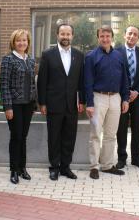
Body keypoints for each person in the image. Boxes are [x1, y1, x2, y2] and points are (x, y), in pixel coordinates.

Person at [37, 23, 85, 181]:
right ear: (57, 35)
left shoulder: (78, 55)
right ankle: (54, 167)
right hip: (53, 104)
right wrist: (42, 103)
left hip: (72, 104)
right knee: (54, 137)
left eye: (68, 34)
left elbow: (81, 81)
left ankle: (66, 167)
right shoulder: (48, 54)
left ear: (72, 36)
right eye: (62, 34)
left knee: (69, 137)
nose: (65, 37)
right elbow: (42, 81)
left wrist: (82, 101)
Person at [84, 25, 129, 180]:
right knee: (96, 134)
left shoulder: (119, 56)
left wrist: (125, 98)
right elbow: (87, 82)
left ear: (112, 38)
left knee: (110, 134)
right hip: (98, 98)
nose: (105, 39)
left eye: (107, 36)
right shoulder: (91, 56)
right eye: (102, 36)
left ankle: (107, 165)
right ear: (98, 38)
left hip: (116, 98)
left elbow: (125, 79)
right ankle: (94, 166)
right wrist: (89, 103)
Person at [0, 29, 37, 184]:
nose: (22, 43)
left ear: (28, 43)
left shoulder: (31, 60)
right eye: (18, 40)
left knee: (23, 137)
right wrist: (8, 106)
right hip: (14, 105)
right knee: (16, 137)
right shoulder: (8, 59)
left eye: (24, 40)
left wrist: (35, 103)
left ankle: (22, 168)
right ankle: (14, 170)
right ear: (13, 43)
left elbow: (33, 83)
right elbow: (4, 84)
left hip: (28, 105)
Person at [115, 26, 139, 170]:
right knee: (121, 128)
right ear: (124, 35)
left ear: (138, 37)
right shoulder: (116, 52)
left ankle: (137, 158)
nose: (132, 36)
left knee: (137, 129)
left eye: (135, 34)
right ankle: (121, 158)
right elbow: (116, 74)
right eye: (129, 33)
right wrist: (126, 92)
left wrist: (137, 91)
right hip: (122, 97)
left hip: (138, 97)